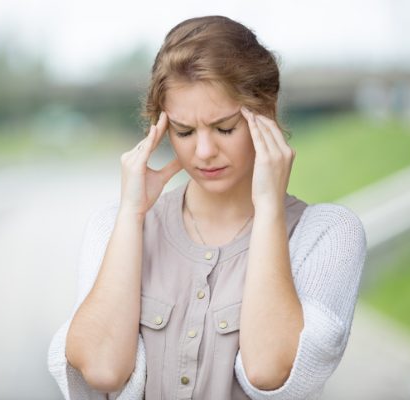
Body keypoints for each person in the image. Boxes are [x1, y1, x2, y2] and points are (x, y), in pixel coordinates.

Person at [47, 15, 367, 400]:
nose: (203, 152)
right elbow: (102, 369)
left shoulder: (325, 234)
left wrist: (267, 208)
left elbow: (268, 370)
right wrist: (132, 215)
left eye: (225, 128)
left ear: (265, 110)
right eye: (183, 132)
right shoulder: (115, 227)